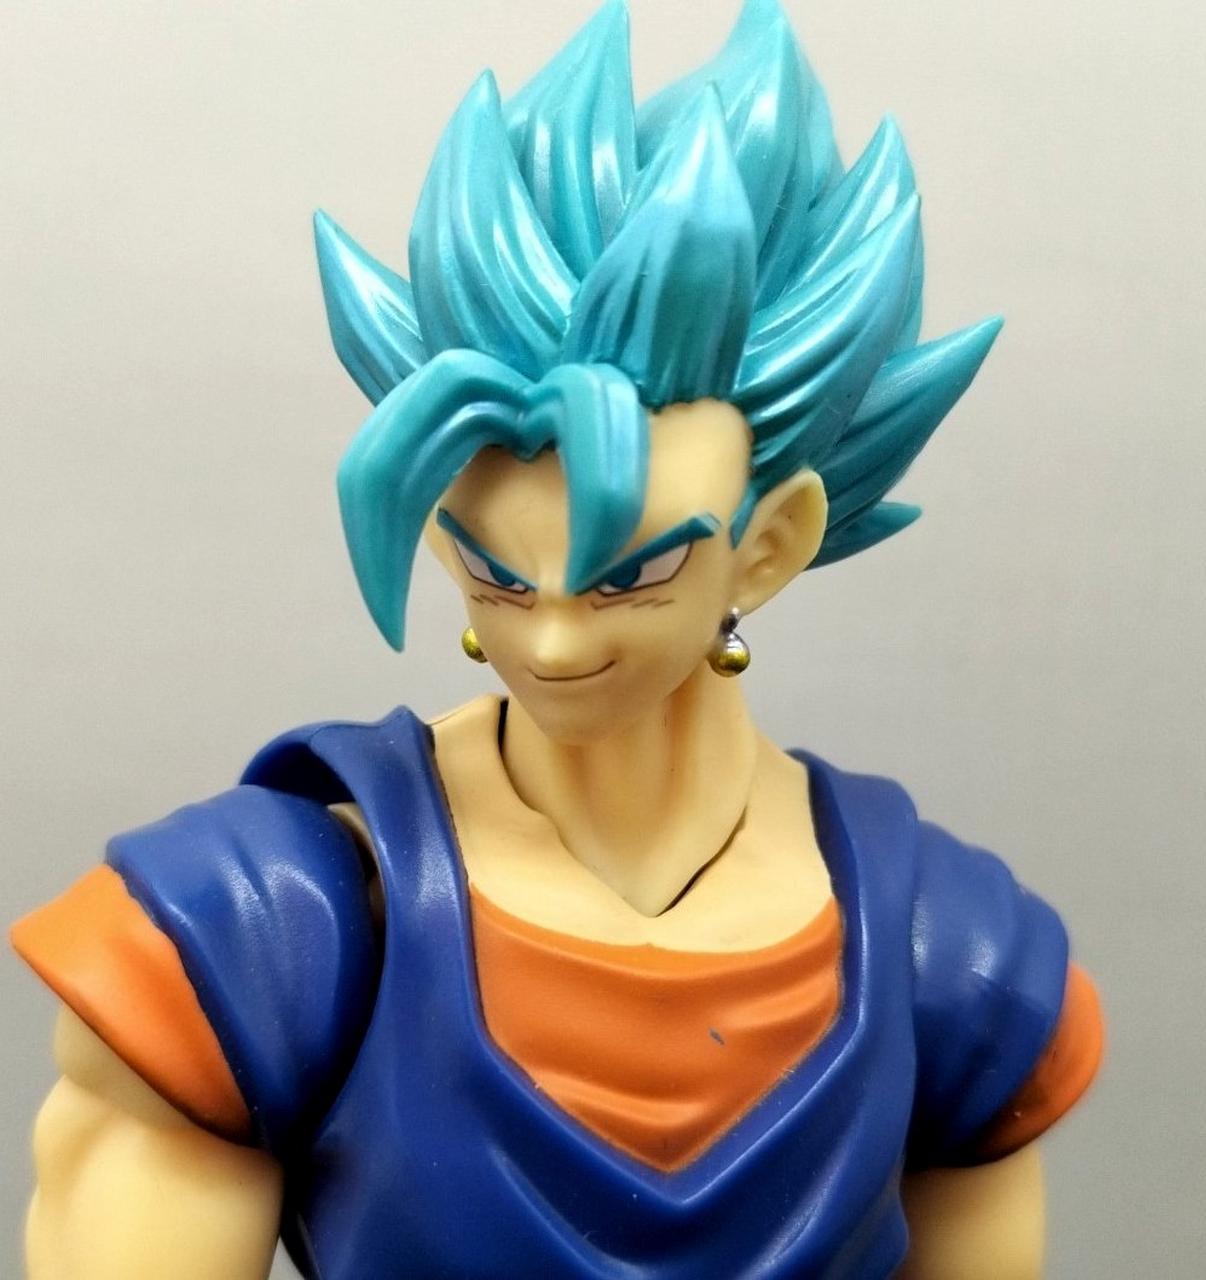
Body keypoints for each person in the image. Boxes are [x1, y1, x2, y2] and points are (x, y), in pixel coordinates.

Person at [12, 2, 1102, 1276]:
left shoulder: (949, 960)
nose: (552, 637)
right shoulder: (263, 929)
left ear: (771, 543)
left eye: (631, 572)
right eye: (492, 567)